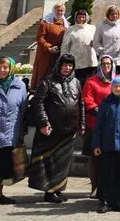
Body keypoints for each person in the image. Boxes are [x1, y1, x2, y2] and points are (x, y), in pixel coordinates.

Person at [28, 53, 82, 203]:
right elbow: (38, 103)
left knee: (63, 162)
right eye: (64, 65)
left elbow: (81, 104)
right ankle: (49, 191)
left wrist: (81, 125)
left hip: (69, 129)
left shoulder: (76, 82)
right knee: (50, 161)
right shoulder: (48, 81)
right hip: (51, 129)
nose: (67, 68)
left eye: (70, 65)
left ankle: (58, 189)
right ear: (59, 66)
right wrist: (44, 123)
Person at [91, 75, 120, 213]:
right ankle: (104, 201)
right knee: (105, 174)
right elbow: (98, 126)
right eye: (116, 86)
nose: (118, 88)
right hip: (107, 145)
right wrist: (97, 145)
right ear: (112, 87)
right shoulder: (105, 104)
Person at [0, 58, 27, 204]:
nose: (2, 70)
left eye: (6, 67)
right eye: (0, 67)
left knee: (3, 165)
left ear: (11, 69)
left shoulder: (20, 86)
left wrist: (21, 131)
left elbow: (23, 109)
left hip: (9, 131)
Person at [82, 54, 115, 198]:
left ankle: (107, 187)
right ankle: (94, 187)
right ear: (99, 65)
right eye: (104, 64)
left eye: (109, 64)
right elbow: (88, 100)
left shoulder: (117, 80)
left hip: (112, 126)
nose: (106, 66)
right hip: (94, 124)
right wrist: (102, 113)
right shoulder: (91, 81)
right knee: (94, 158)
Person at [32, 4, 68, 88]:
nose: (60, 12)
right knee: (43, 74)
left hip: (58, 54)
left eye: (62, 10)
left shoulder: (65, 25)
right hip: (45, 54)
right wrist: (48, 47)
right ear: (54, 11)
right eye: (58, 10)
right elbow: (40, 38)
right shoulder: (45, 23)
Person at [61, 9, 96, 82]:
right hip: (76, 61)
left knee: (89, 82)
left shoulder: (92, 28)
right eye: (79, 17)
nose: (81, 19)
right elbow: (65, 46)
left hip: (90, 61)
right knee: (77, 82)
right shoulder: (70, 29)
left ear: (86, 18)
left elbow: (98, 41)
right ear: (76, 18)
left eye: (83, 17)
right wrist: (64, 60)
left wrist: (94, 43)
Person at [94, 5, 120, 72]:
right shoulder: (101, 26)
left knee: (119, 79)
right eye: (112, 14)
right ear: (108, 15)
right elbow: (96, 42)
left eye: (116, 14)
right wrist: (102, 50)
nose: (114, 16)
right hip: (106, 58)